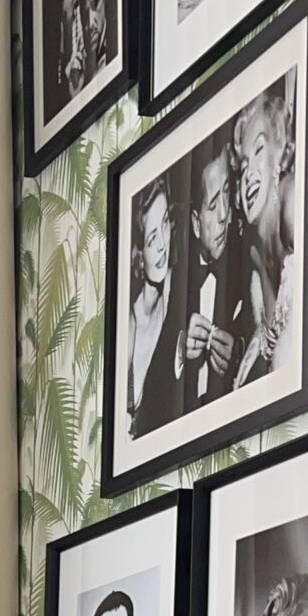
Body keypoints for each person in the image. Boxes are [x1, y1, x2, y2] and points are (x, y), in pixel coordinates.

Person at [177, 133, 247, 411]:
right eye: (213, 204)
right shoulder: (175, 279)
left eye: (227, 193)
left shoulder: (244, 264)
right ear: (196, 223)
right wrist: (180, 350)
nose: (224, 216)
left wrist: (238, 352)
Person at [233, 81, 297, 387]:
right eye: (243, 165)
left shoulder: (292, 201)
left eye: (258, 150)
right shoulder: (253, 253)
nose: (248, 174)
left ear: (281, 149)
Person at [128, 175, 183, 440]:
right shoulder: (130, 324)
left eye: (165, 224)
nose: (162, 244)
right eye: (151, 239)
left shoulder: (176, 291)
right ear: (139, 254)